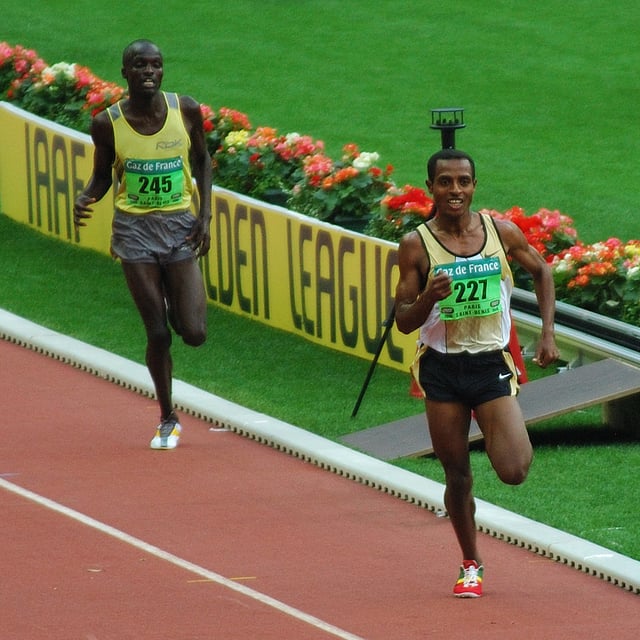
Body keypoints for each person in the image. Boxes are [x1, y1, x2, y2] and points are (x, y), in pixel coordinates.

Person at [394, 148, 559, 597]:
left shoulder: (500, 233)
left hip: (489, 364)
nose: (455, 190)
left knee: (515, 469)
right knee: (457, 474)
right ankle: (471, 563)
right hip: (441, 370)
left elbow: (543, 271)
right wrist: (429, 297)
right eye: (445, 182)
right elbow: (403, 319)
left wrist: (546, 333)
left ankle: (496, 423)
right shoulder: (415, 245)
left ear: (474, 186)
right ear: (430, 187)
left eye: (463, 182)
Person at [73, 39, 212, 450]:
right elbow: (102, 176)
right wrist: (86, 196)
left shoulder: (184, 110)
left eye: (156, 65)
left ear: (163, 71)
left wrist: (204, 215)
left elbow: (203, 161)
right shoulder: (107, 123)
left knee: (194, 332)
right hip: (134, 233)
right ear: (125, 73)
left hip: (180, 228)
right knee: (157, 334)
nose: (149, 71)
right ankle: (168, 416)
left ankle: (173, 297)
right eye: (140, 65)